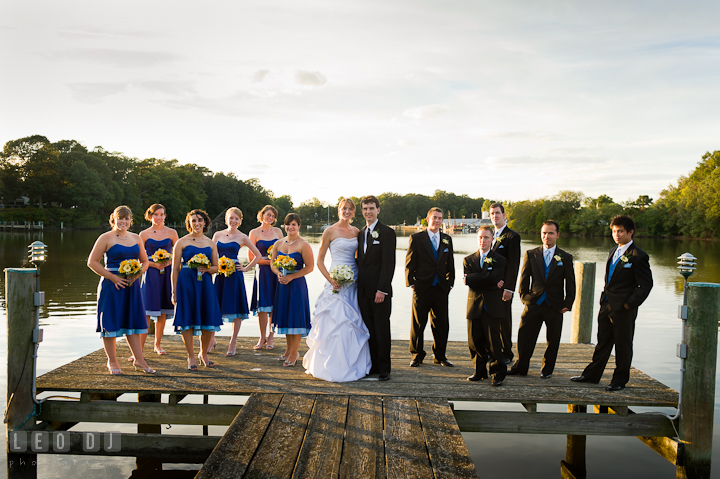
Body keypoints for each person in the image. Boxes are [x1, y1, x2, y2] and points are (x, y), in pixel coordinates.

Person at [572, 215, 653, 391]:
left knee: (623, 345)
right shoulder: (612, 251)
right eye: (614, 231)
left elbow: (646, 285)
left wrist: (628, 304)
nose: (616, 235)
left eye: (620, 231)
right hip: (606, 305)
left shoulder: (639, 256)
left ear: (630, 232)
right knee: (603, 342)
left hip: (624, 308)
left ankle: (619, 380)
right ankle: (592, 375)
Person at [303, 198, 372, 382]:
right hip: (335, 282)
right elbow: (319, 261)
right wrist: (332, 280)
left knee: (353, 321)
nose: (347, 211)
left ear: (354, 212)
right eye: (344, 208)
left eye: (350, 209)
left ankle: (353, 364)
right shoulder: (329, 231)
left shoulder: (357, 231)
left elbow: (359, 257)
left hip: (353, 281)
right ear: (338, 210)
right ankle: (330, 365)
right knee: (335, 322)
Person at [87, 206, 155, 375]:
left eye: (126, 219)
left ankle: (139, 360)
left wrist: (137, 274)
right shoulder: (105, 237)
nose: (123, 222)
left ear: (130, 221)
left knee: (131, 322)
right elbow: (92, 262)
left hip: (131, 286)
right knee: (110, 322)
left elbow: (145, 261)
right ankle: (112, 361)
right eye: (120, 218)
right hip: (112, 285)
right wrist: (113, 277)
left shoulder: (136, 238)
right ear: (113, 219)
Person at [508, 220, 576, 379]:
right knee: (524, 335)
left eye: (551, 233)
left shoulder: (565, 257)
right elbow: (524, 279)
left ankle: (547, 370)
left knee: (553, 339)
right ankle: (521, 366)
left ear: (557, 235)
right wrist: (525, 297)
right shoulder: (531, 254)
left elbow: (571, 283)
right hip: (534, 303)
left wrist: (568, 303)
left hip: (555, 305)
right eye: (544, 233)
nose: (547, 236)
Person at [171, 209, 223, 370]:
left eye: (200, 220)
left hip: (205, 284)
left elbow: (217, 267)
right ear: (189, 224)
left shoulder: (210, 243)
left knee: (208, 317)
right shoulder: (181, 242)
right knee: (187, 319)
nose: (197, 223)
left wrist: (207, 269)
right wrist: (174, 292)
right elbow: (175, 269)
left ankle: (204, 353)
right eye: (193, 220)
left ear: (205, 222)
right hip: (186, 284)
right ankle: (191, 356)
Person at [405, 207, 455, 368]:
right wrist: (411, 283)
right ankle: (417, 355)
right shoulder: (416, 238)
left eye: (440, 218)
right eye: (434, 217)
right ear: (428, 219)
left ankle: (440, 355)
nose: (437, 220)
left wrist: (450, 283)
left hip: (441, 287)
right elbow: (409, 263)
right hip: (421, 287)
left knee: (441, 323)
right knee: (418, 323)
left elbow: (451, 264)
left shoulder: (447, 238)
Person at [356, 195, 396, 381]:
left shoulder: (387, 233)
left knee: (382, 328)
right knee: (369, 328)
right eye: (365, 209)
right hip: (363, 290)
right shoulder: (361, 233)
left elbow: (389, 265)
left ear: (378, 210)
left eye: (371, 208)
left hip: (380, 291)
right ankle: (373, 365)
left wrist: (382, 289)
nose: (368, 212)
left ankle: (385, 368)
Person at [212, 207, 262, 356]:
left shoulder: (243, 237)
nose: (233, 221)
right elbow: (211, 252)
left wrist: (246, 268)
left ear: (240, 221)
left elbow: (258, 255)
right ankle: (211, 339)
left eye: (236, 219)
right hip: (220, 274)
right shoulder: (217, 235)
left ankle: (233, 341)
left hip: (235, 275)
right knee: (216, 306)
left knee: (236, 308)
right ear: (226, 218)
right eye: (231, 218)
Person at [463, 225, 507, 386]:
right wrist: (491, 279)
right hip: (474, 306)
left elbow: (494, 277)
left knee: (494, 342)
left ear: (492, 239)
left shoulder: (500, 260)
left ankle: (498, 374)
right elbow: (471, 283)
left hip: (492, 307)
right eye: (480, 237)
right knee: (474, 341)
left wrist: (475, 278)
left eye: (486, 237)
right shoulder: (468, 260)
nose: (483, 240)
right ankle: (479, 371)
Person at [269, 213, 314, 367]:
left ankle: (295, 353)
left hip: (296, 286)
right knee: (286, 317)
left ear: (299, 226)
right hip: (282, 285)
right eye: (288, 224)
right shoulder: (278, 243)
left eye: (294, 224)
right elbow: (273, 263)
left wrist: (292, 277)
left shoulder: (303, 245)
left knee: (295, 317)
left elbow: (310, 267)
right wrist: (279, 274)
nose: (291, 227)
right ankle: (288, 350)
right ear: (284, 226)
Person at [139, 203, 178, 356]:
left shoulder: (172, 233)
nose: (159, 217)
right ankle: (139, 350)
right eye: (156, 214)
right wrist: (153, 264)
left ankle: (157, 344)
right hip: (150, 273)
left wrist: (170, 261)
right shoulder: (144, 234)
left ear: (165, 216)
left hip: (167, 272)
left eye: (161, 214)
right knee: (147, 311)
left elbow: (179, 251)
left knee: (162, 310)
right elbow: (138, 256)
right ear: (150, 216)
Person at [489, 202, 521, 364]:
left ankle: (507, 352)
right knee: (490, 320)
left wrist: (509, 288)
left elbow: (514, 265)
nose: (495, 216)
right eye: (492, 214)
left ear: (504, 215)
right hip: (489, 287)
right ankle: (493, 351)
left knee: (504, 321)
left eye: (497, 213)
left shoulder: (512, 237)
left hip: (504, 288)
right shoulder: (489, 235)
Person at [248, 205, 284, 350]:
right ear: (262, 215)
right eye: (268, 214)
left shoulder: (278, 232)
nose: (270, 217)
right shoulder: (254, 233)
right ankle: (262, 337)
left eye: (273, 216)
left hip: (276, 271)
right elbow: (251, 257)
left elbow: (284, 251)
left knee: (274, 305)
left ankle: (271, 336)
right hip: (262, 271)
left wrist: (277, 263)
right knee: (262, 306)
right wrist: (270, 262)